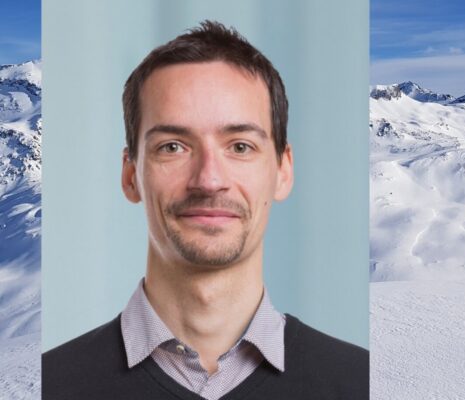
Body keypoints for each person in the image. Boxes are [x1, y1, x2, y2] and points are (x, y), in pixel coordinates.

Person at [42, 20, 368, 400]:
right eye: (173, 147)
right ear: (131, 175)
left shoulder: (357, 383)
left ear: (283, 170)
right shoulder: (53, 386)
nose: (209, 180)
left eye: (240, 146)